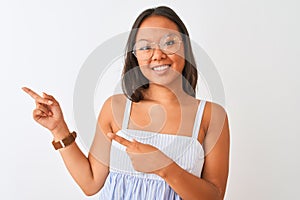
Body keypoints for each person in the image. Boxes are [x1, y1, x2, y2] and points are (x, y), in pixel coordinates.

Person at [22, 6, 230, 200]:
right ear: (135, 56)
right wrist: (58, 129)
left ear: (185, 47)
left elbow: (215, 196)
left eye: (169, 43)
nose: (157, 55)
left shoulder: (211, 116)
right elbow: (91, 183)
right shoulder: (115, 108)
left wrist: (165, 167)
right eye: (146, 47)